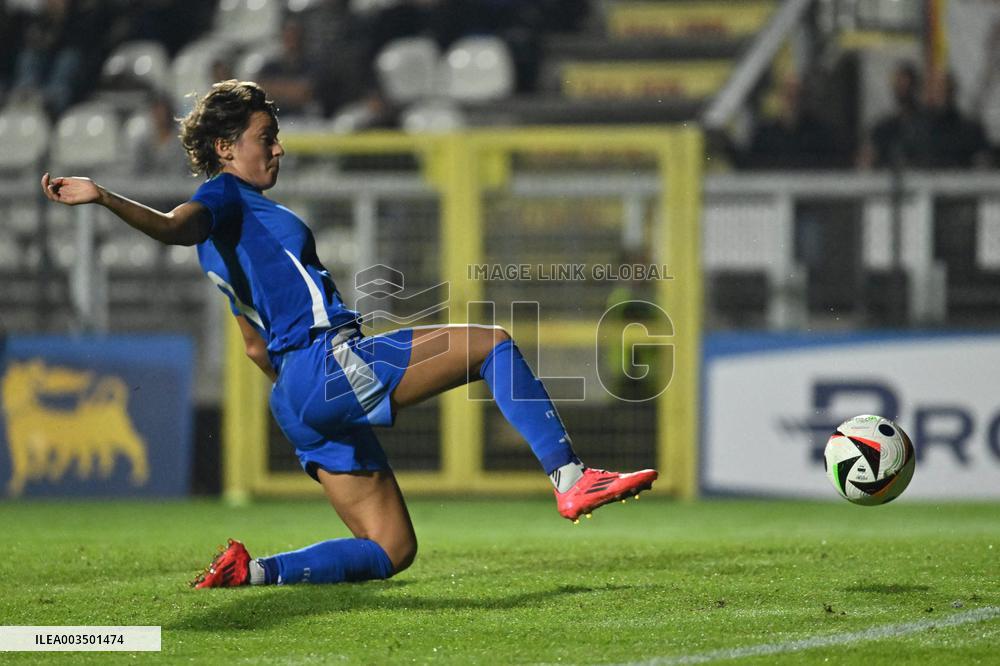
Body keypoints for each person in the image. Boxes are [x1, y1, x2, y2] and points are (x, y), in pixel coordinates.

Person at [40, 80, 658, 589]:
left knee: (391, 549)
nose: (277, 149)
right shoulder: (221, 199)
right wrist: (103, 197)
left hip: (293, 396)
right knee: (492, 343)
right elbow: (176, 227)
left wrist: (310, 399)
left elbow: (254, 344)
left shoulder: (222, 247)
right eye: (266, 138)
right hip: (323, 364)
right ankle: (571, 479)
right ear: (226, 148)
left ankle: (250, 572)